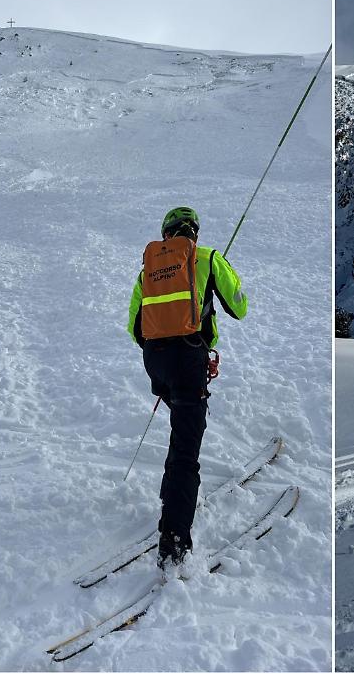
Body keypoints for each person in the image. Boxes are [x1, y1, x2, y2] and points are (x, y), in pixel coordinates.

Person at [127, 207, 248, 570]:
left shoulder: (148, 269)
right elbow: (239, 307)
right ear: (193, 232)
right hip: (187, 359)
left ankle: (172, 500)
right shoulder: (208, 257)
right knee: (186, 451)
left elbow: (135, 325)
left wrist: (161, 353)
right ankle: (174, 542)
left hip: (156, 361)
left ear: (165, 234)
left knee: (180, 432)